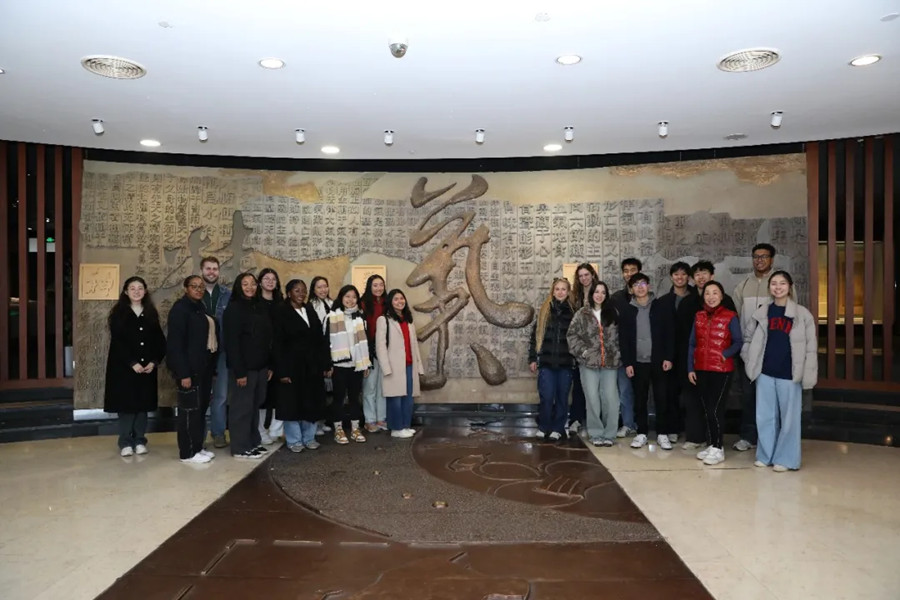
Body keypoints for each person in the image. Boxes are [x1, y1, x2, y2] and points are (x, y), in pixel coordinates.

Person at [742, 271, 817, 472]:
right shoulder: (762, 312)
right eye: (774, 283)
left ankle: (786, 459)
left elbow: (811, 348)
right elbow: (748, 338)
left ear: (790, 286)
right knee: (765, 417)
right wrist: (749, 360)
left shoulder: (803, 315)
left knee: (790, 420)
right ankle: (765, 455)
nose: (778, 287)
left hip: (790, 375)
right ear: (769, 288)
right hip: (765, 373)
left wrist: (808, 376)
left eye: (782, 283)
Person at [676, 260, 736, 449]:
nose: (701, 277)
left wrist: (725, 354)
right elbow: (685, 335)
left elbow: (735, 335)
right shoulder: (688, 301)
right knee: (693, 399)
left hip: (718, 362)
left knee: (714, 405)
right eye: (697, 274)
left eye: (705, 273)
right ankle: (695, 437)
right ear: (693, 278)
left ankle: (714, 443)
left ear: (712, 276)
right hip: (694, 358)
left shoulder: (726, 302)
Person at [103, 276, 166, 457]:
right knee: (126, 407)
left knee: (142, 406)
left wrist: (154, 361)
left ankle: (140, 440)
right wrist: (132, 363)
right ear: (126, 292)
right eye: (132, 288)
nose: (136, 291)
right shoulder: (118, 314)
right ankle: (125, 442)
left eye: (140, 288)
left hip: (146, 369)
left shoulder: (151, 313)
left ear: (145, 291)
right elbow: (118, 343)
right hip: (124, 369)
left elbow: (159, 342)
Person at [272, 279, 331, 453]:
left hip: (312, 367)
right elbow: (277, 343)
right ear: (289, 293)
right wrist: (281, 370)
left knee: (311, 402)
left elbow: (320, 340)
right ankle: (294, 440)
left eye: (303, 291)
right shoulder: (281, 312)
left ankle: (309, 437)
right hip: (291, 367)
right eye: (297, 291)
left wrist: (325, 363)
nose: (301, 294)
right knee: (292, 404)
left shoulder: (309, 310)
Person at [688, 281, 742, 466]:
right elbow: (692, 344)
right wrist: (690, 368)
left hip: (721, 370)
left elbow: (738, 342)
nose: (711, 297)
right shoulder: (699, 316)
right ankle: (711, 445)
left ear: (721, 296)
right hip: (702, 369)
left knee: (715, 409)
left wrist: (723, 354)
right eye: (707, 293)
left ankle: (718, 448)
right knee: (706, 409)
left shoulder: (730, 316)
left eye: (715, 293)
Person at [619, 273, 675, 449]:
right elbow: (624, 339)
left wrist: (668, 357)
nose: (640, 287)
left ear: (649, 286)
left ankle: (662, 433)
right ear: (631, 289)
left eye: (643, 283)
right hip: (637, 362)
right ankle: (642, 432)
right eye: (636, 285)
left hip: (659, 361)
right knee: (640, 399)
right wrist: (628, 362)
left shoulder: (661, 306)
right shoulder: (627, 310)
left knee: (661, 398)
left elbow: (670, 334)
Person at [167, 276, 218, 464]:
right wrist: (183, 373)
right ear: (186, 288)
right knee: (188, 412)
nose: (198, 289)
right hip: (189, 371)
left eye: (201, 287)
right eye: (194, 287)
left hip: (203, 369)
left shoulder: (199, 307)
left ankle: (197, 447)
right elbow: (175, 345)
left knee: (199, 411)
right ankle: (187, 453)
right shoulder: (180, 309)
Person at [223, 273, 274, 460]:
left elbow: (267, 338)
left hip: (261, 368)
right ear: (238, 286)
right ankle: (239, 447)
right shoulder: (234, 309)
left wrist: (268, 365)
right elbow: (232, 343)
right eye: (245, 284)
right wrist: (240, 372)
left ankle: (253, 442)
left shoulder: (260, 307)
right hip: (244, 370)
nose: (250, 287)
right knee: (241, 409)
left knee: (254, 407)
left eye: (253, 284)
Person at [732, 243, 777, 453]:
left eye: (764, 256)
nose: (759, 260)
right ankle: (748, 436)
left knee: (771, 395)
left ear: (772, 260)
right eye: (756, 257)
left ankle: (771, 438)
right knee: (748, 395)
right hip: (748, 351)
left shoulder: (779, 283)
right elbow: (736, 318)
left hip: (772, 351)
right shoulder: (743, 285)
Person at [567, 280, 621, 447]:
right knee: (592, 398)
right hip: (588, 364)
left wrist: (618, 353)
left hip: (610, 363)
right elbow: (571, 335)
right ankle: (596, 432)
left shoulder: (613, 313)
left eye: (603, 292)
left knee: (611, 399)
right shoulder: (582, 314)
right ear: (591, 294)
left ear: (606, 295)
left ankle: (610, 433)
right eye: (596, 292)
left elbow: (621, 336)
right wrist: (583, 352)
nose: (599, 295)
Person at [528, 277, 576, 441]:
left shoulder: (574, 312)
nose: (560, 292)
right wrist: (533, 358)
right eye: (557, 289)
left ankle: (558, 427)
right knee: (546, 396)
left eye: (564, 289)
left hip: (565, 363)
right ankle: (543, 426)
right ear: (552, 291)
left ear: (568, 292)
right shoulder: (544, 311)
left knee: (562, 397)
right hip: (546, 363)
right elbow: (535, 336)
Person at [324, 284, 371, 444]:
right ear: (341, 298)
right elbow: (325, 342)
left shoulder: (360, 317)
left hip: (356, 365)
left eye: (353, 297)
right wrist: (328, 364)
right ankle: (338, 429)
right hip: (338, 366)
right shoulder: (332, 316)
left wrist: (366, 364)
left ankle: (355, 428)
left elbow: (366, 342)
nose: (350, 300)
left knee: (354, 398)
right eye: (347, 296)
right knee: (338, 398)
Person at [656, 261, 697, 445]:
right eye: (676, 274)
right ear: (671, 277)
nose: (679, 278)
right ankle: (672, 428)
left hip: (691, 353)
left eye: (683, 274)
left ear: (688, 276)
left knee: (691, 395)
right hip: (669, 355)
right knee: (670, 393)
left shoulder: (697, 299)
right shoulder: (663, 301)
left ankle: (692, 432)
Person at [375, 289, 425, 438]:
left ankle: (405, 425)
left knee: (408, 397)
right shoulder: (383, 319)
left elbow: (414, 345)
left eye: (402, 298)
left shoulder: (408, 320)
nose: (399, 301)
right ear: (390, 301)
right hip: (393, 366)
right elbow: (380, 345)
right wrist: (386, 367)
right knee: (395, 398)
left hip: (409, 364)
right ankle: (396, 428)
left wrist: (419, 366)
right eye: (396, 299)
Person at [200, 257, 231, 449]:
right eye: (208, 268)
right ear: (201, 270)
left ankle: (218, 433)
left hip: (222, 351)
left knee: (221, 395)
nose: (211, 272)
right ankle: (199, 435)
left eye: (215, 269)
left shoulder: (227, 294)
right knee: (201, 395)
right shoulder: (194, 292)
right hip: (200, 352)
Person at [611, 257, 641, 438]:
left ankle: (642, 424)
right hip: (623, 353)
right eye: (626, 270)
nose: (629, 273)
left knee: (643, 390)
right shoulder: (616, 298)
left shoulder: (646, 296)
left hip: (645, 353)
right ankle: (629, 423)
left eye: (633, 270)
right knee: (625, 391)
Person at [568, 263, 599, 434]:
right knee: (579, 385)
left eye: (587, 274)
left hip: (598, 346)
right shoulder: (574, 297)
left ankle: (596, 421)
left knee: (598, 387)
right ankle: (576, 419)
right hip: (579, 347)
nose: (584, 278)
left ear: (593, 275)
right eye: (581, 276)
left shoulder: (600, 292)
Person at [257, 267, 284, 445]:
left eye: (273, 279)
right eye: (266, 278)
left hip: (279, 355)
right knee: (261, 397)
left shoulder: (281, 303)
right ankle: (260, 431)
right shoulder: (254, 303)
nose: (270, 281)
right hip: (259, 356)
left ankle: (275, 430)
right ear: (260, 282)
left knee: (278, 395)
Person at [360, 274, 388, 433]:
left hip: (385, 350)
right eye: (375, 285)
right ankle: (369, 419)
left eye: (381, 285)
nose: (378, 288)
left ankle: (381, 418)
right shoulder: (363, 304)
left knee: (383, 387)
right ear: (370, 287)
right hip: (369, 350)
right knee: (369, 387)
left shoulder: (387, 303)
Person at [307, 276, 335, 436]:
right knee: (318, 390)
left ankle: (323, 421)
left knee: (328, 392)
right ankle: (315, 423)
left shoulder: (333, 304)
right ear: (314, 289)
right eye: (319, 287)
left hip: (333, 350)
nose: (323, 290)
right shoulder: (311, 306)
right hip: (318, 352)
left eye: (325, 286)